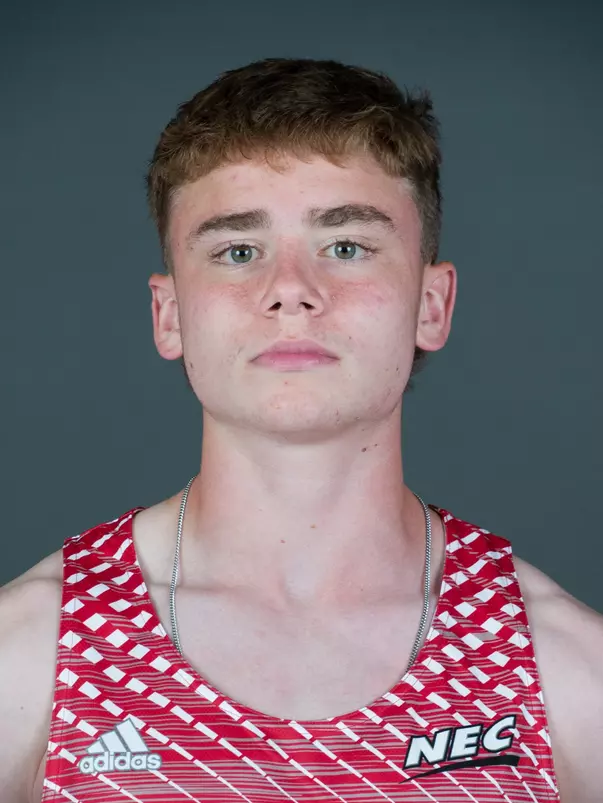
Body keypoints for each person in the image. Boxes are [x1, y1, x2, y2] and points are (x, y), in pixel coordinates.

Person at [1, 57, 601, 803]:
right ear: (170, 315)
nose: (290, 289)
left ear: (431, 304)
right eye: (237, 252)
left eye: (345, 246)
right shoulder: (30, 658)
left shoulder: (564, 673)